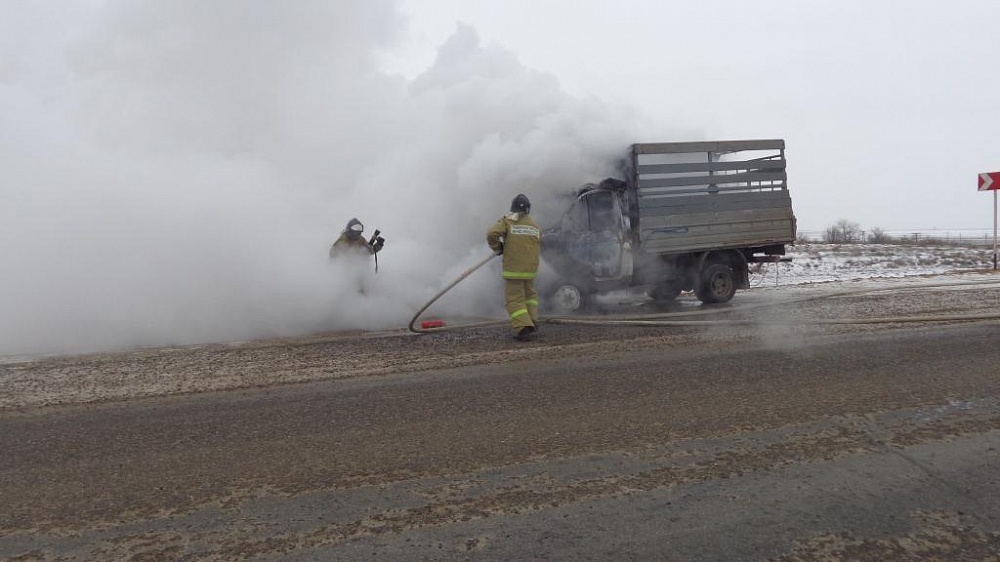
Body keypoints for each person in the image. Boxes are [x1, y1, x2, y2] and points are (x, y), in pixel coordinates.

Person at [487, 194, 542, 341]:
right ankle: (533, 321)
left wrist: (498, 247)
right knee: (530, 296)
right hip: (530, 270)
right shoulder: (535, 226)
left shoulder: (508, 221)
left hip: (514, 270)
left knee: (514, 299)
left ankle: (523, 328)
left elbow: (492, 233)